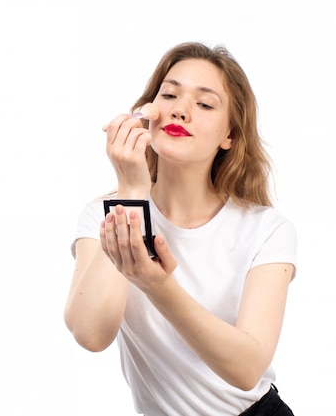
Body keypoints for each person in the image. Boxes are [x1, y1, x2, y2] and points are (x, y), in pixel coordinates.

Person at [64, 42, 297, 416]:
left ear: (230, 137)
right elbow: (90, 334)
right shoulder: (104, 214)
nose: (180, 110)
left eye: (204, 104)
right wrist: (131, 193)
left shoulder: (266, 229)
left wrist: (159, 286)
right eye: (169, 94)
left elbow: (247, 369)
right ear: (147, 112)